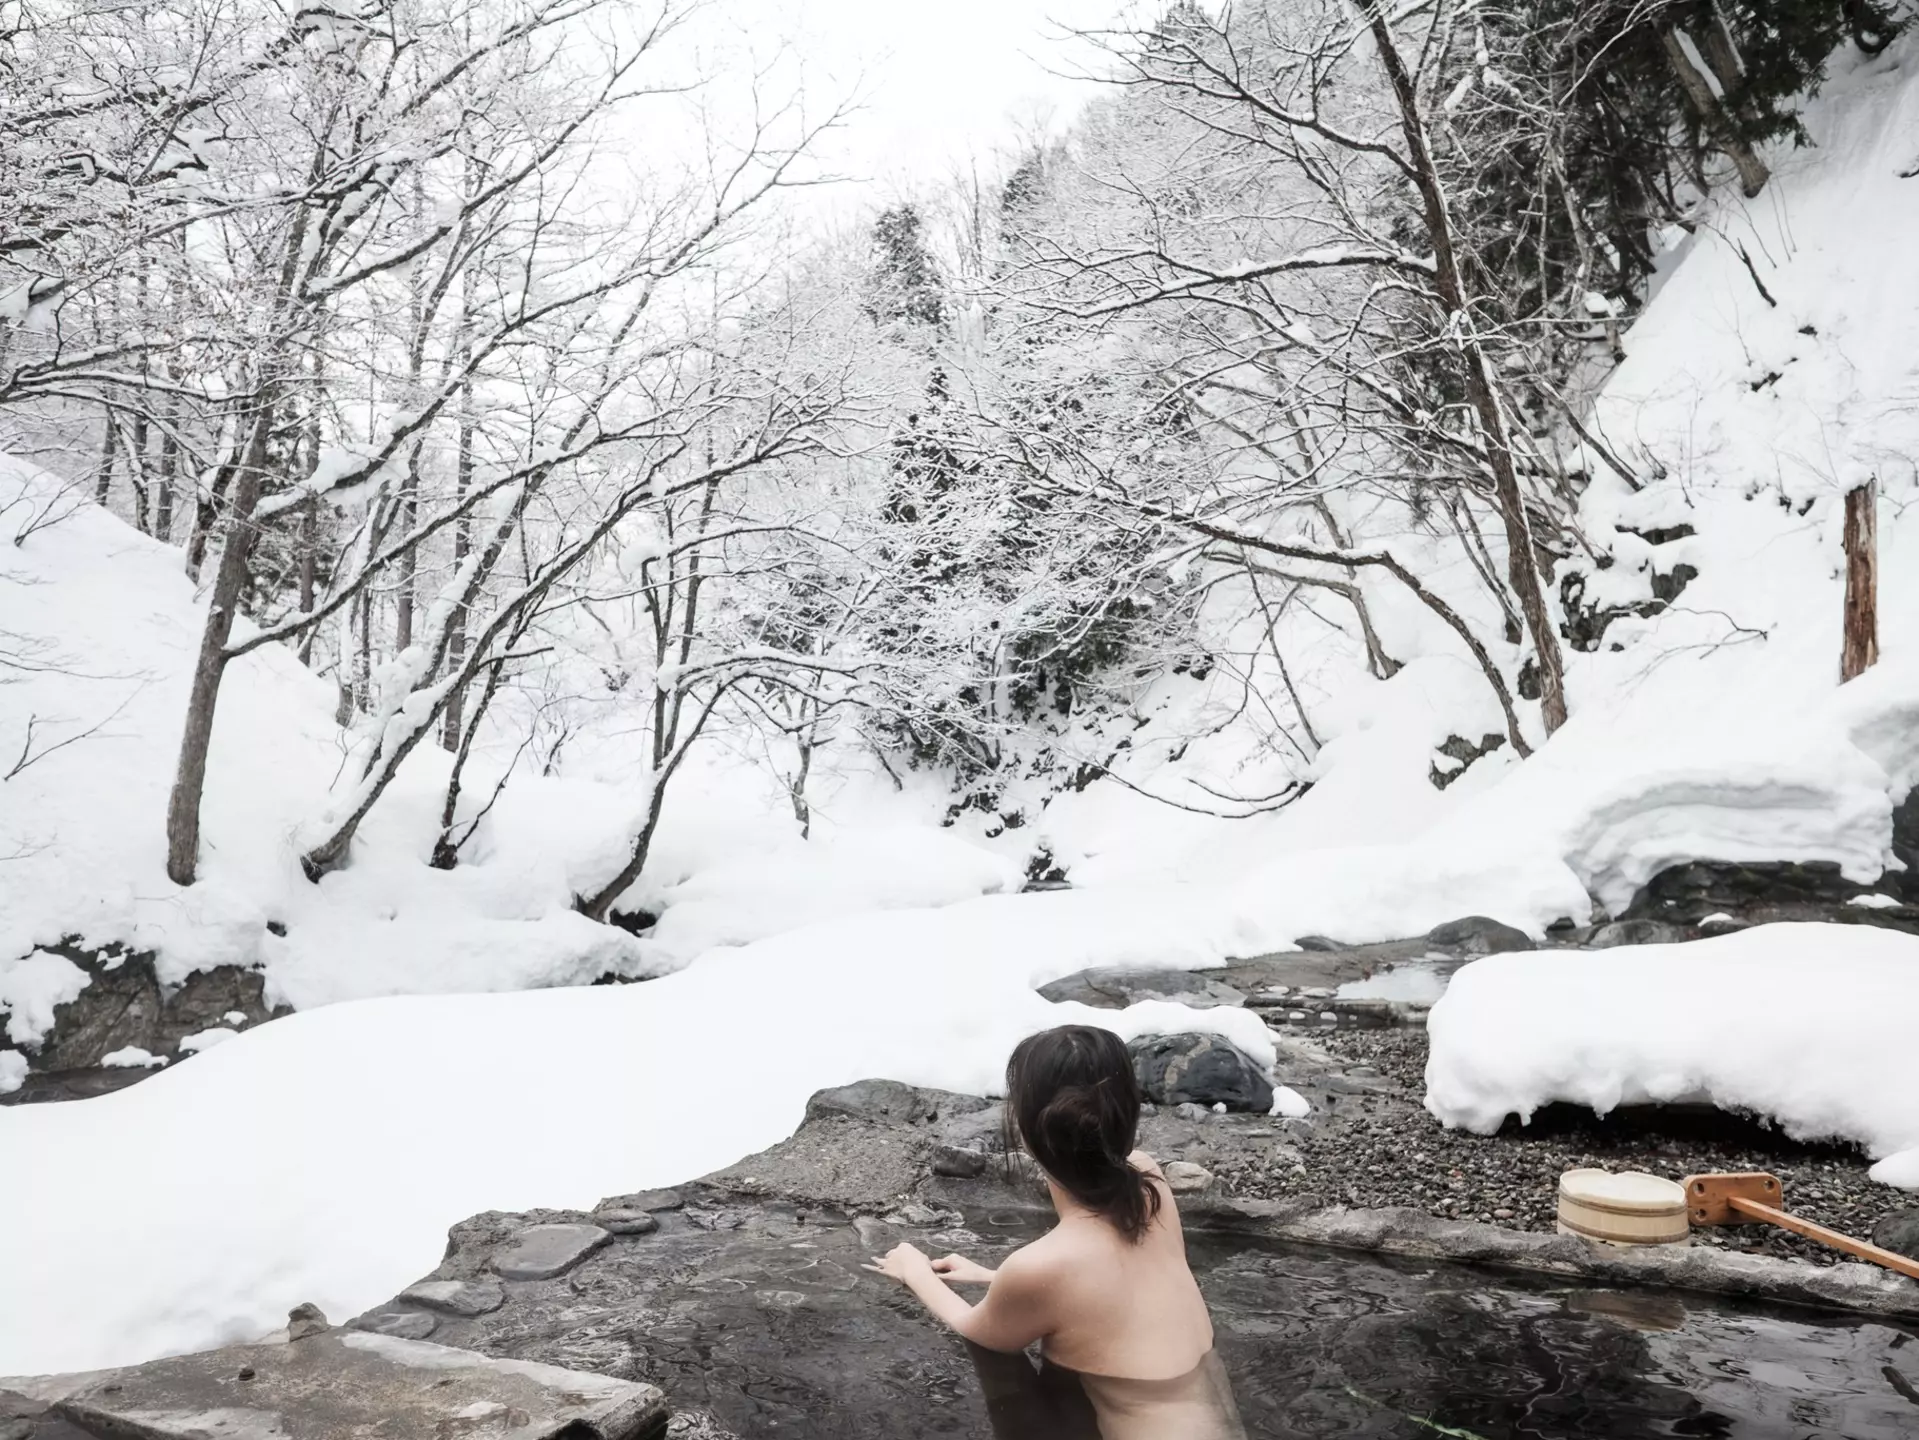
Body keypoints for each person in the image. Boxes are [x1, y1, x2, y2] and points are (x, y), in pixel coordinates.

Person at [864, 1024, 1247, 1440]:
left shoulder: (1043, 1267)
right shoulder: (1150, 1184)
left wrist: (914, 1270)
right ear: (1127, 1116)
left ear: (1028, 1133)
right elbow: (1119, 1289)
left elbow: (977, 1330)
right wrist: (994, 1278)